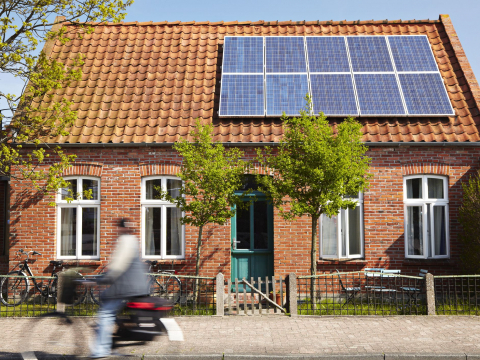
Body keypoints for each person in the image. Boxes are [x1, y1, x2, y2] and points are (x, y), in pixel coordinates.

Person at [90, 218, 150, 358]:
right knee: (107, 301)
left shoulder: (125, 241)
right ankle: (112, 341)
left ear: (121, 228)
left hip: (128, 287)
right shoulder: (133, 240)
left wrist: (98, 280)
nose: (115, 230)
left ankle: (100, 350)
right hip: (134, 286)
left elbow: (117, 268)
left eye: (117, 227)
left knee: (105, 313)